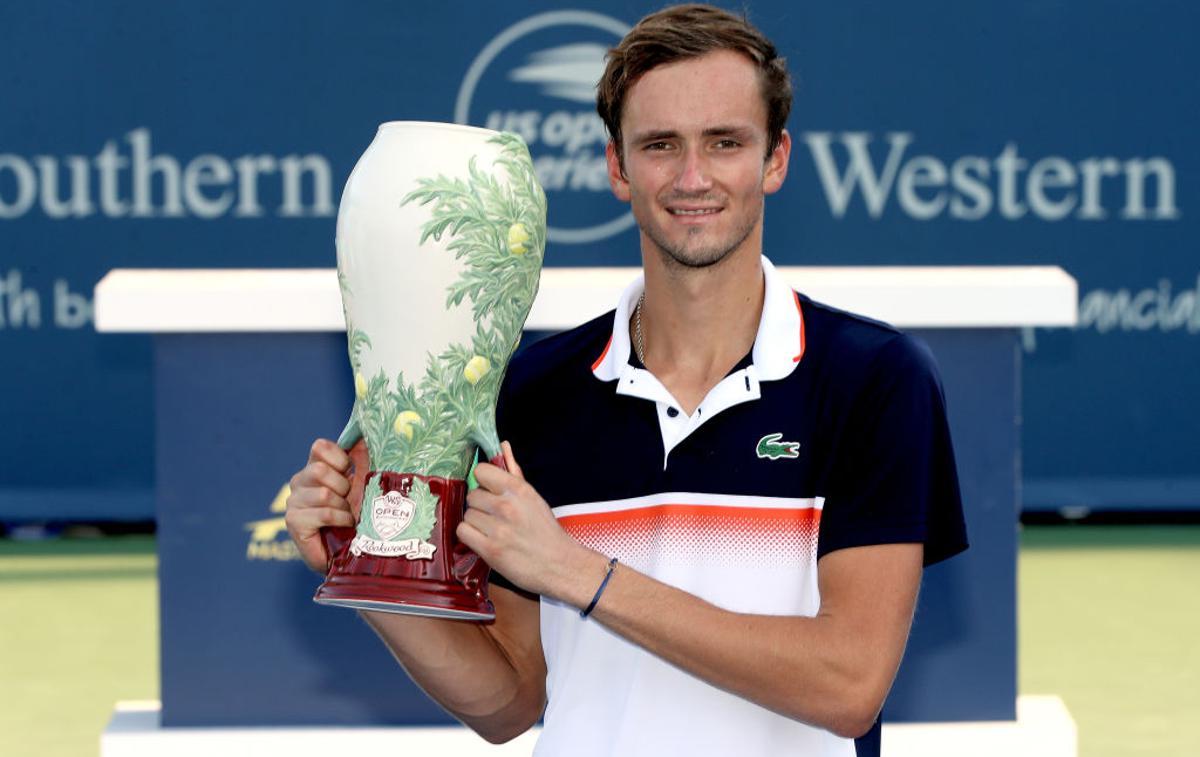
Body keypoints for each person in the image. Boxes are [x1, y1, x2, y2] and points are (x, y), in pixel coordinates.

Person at [285, 4, 968, 756]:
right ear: (617, 167)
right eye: (661, 145)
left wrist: (579, 572)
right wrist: (365, 566)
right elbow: (510, 701)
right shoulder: (534, 393)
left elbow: (848, 684)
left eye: (726, 143)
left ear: (775, 159)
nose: (693, 176)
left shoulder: (874, 380)